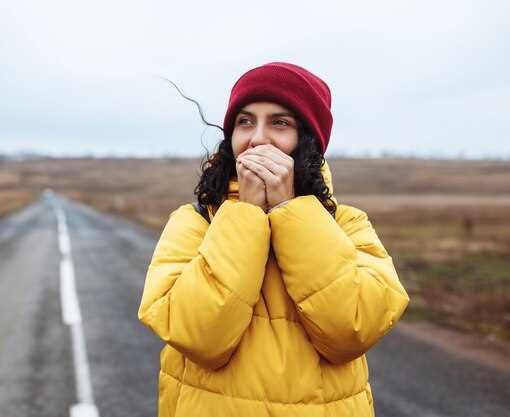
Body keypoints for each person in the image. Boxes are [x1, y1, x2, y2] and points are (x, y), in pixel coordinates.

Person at [138, 62, 410, 417]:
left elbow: (351, 330)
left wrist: (288, 209)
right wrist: (246, 213)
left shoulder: (347, 224)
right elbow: (199, 336)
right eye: (245, 121)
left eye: (280, 123)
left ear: (308, 141)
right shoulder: (193, 223)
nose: (258, 138)